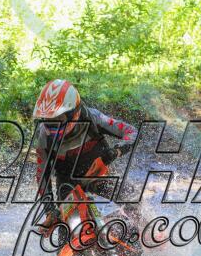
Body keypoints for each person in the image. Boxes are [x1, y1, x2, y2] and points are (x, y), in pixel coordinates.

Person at [33, 79, 140, 227]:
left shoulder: (93, 117)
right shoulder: (43, 136)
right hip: (68, 184)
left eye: (59, 118)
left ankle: (149, 231)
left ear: (74, 112)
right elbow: (42, 175)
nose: (53, 124)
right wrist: (49, 210)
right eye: (48, 119)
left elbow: (131, 131)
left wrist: (117, 151)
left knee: (129, 197)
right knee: (67, 227)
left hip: (99, 173)